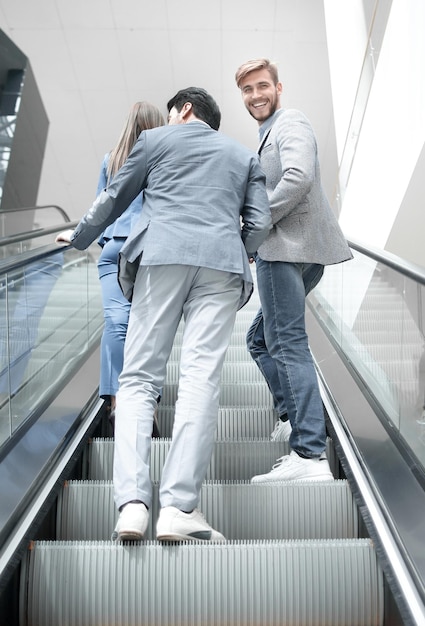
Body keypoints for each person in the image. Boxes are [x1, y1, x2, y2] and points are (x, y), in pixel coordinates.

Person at [56, 87, 271, 542]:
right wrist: (241, 251)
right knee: (200, 380)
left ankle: (132, 505)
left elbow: (113, 199)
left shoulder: (153, 142)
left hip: (160, 257)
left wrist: (78, 238)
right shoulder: (242, 155)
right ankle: (177, 508)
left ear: (184, 110)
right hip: (221, 265)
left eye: (172, 111)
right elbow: (259, 222)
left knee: (137, 379)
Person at [234, 58, 353, 482]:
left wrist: (255, 225)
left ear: (278, 88)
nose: (255, 95)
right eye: (247, 90)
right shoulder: (268, 134)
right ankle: (293, 416)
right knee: (260, 339)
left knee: (285, 342)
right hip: (299, 249)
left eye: (262, 86)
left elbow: (299, 177)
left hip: (285, 248)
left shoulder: (290, 122)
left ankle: (309, 453)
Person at [95, 102, 165, 431]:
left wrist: (103, 242)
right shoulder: (163, 160)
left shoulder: (111, 160)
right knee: (147, 329)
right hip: (149, 250)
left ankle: (118, 400)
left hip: (113, 248)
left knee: (116, 325)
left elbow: (100, 208)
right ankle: (145, 404)